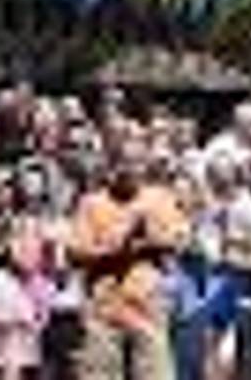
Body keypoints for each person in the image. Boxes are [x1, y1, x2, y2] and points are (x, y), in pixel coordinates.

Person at [72, 141, 187, 380]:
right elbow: (77, 252)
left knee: (154, 372)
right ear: (111, 166)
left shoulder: (159, 199)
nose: (129, 169)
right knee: (98, 372)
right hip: (104, 301)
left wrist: (144, 241)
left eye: (135, 162)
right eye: (123, 162)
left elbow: (178, 240)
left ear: (144, 166)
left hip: (147, 302)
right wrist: (115, 249)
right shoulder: (92, 203)